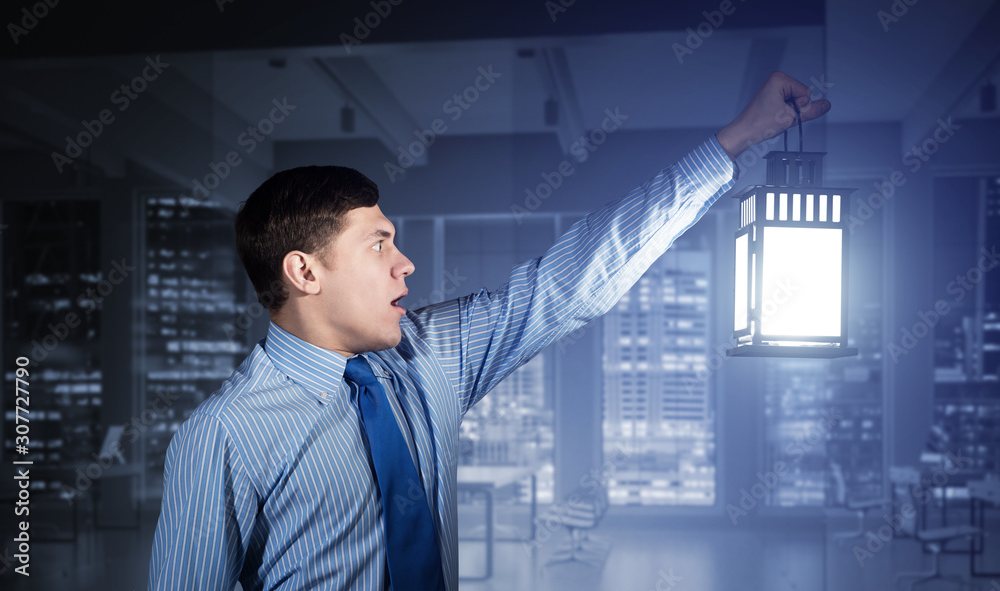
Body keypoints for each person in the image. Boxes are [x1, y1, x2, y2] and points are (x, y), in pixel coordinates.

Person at [148, 71, 831, 590]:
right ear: (304, 270)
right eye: (379, 245)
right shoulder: (222, 436)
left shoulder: (429, 357)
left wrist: (734, 142)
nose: (405, 264)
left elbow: (569, 283)